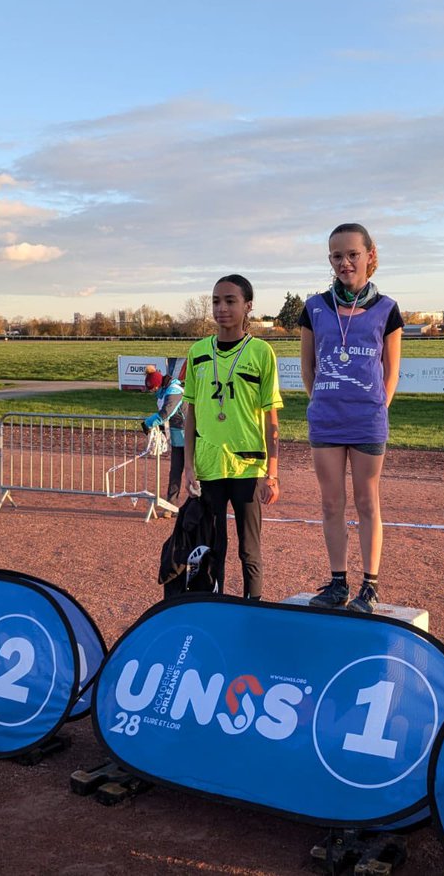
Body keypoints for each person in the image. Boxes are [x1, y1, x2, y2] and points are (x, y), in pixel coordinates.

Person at [299, 223, 404, 614]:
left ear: (370, 255)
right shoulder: (314, 307)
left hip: (367, 420)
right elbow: (307, 366)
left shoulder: (388, 309)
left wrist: (378, 406)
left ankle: (370, 586)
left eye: (352, 254)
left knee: (367, 501)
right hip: (326, 420)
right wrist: (322, 401)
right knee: (331, 503)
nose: (345, 262)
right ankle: (338, 582)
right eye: (337, 256)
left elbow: (391, 371)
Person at [181, 275, 282, 600]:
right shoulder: (197, 352)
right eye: (215, 301)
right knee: (213, 549)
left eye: (230, 301)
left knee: (249, 552)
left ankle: (253, 610)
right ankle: (216, 611)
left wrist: (273, 473)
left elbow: (271, 419)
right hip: (209, 466)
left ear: (248, 306)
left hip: (248, 467)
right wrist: (188, 466)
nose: (221, 308)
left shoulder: (261, 353)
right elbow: (191, 414)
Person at [144, 372, 185, 513]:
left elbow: (166, 413)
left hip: (191, 437)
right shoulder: (164, 391)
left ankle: (201, 507)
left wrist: (148, 423)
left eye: (152, 389)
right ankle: (171, 506)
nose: (152, 392)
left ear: (157, 385)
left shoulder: (174, 390)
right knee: (175, 472)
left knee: (196, 474)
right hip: (177, 437)